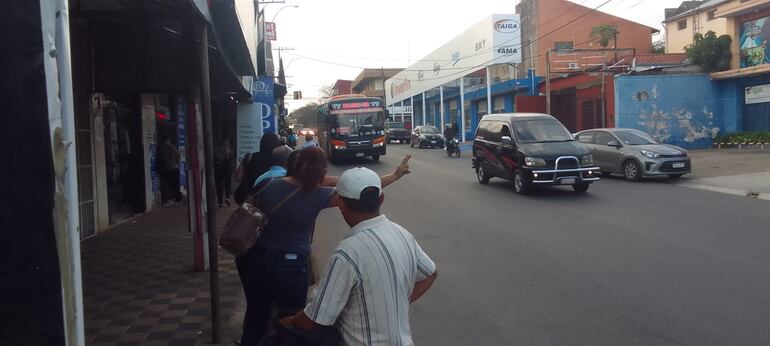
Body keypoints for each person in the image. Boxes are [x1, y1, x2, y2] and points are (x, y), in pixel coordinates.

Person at [235, 147, 412, 346]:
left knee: (256, 314)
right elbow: (360, 193)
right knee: (290, 319)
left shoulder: (272, 186)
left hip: (259, 259)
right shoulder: (318, 195)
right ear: (320, 171)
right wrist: (394, 176)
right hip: (292, 266)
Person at [280, 166, 438, 345]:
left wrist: (286, 322)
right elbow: (430, 274)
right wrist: (395, 303)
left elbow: (313, 319)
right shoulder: (402, 234)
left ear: (340, 203)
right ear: (381, 198)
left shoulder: (348, 253)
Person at [233, 133, 281, 205]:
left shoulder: (250, 157)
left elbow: (238, 178)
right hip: (270, 199)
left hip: (250, 198)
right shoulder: (278, 159)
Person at [159, 137, 182, 206]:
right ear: (168, 139)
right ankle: (177, 200)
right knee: (175, 184)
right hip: (173, 167)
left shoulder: (161, 147)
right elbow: (178, 154)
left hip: (166, 168)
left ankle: (173, 199)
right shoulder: (169, 146)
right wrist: (176, 163)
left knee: (170, 184)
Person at [215, 138, 233, 208]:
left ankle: (220, 202)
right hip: (227, 171)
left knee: (219, 187)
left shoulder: (217, 153)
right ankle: (227, 197)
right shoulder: (229, 153)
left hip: (218, 172)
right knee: (227, 185)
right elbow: (231, 163)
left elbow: (215, 162)